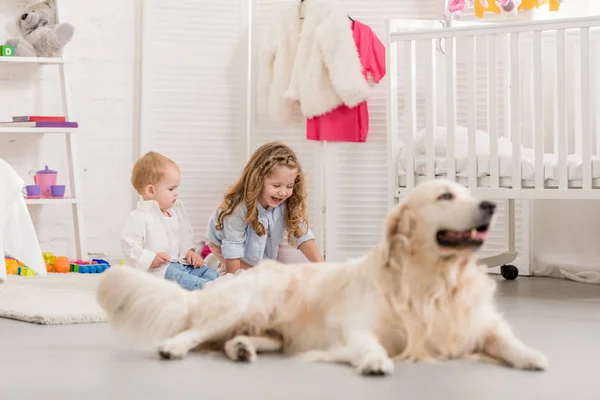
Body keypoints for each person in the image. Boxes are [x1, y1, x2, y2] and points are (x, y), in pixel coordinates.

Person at [205, 142, 324, 274]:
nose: (283, 192)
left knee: (265, 273)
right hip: (223, 248)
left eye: (289, 186)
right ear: (258, 180)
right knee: (244, 276)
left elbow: (301, 233)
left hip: (255, 256)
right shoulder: (237, 208)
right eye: (276, 185)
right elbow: (232, 247)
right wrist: (232, 279)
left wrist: (321, 267)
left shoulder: (285, 204)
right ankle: (216, 263)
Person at [122, 151, 223, 290]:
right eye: (171, 188)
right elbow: (130, 247)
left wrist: (189, 253)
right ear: (151, 191)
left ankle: (221, 283)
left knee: (207, 271)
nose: (177, 192)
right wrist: (151, 258)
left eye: (177, 187)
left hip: (181, 264)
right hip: (157, 270)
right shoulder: (139, 217)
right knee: (177, 276)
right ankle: (206, 288)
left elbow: (181, 241)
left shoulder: (174, 213)